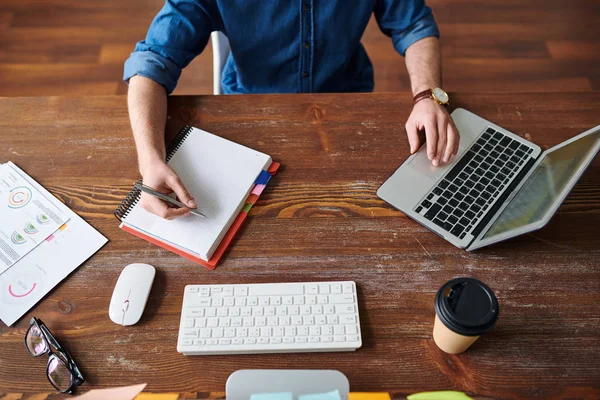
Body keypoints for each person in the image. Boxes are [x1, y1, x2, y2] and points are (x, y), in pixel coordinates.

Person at [124, 0, 460, 219]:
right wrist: (150, 159)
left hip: (346, 104)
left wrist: (428, 96)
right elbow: (151, 62)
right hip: (252, 112)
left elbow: (413, 24)